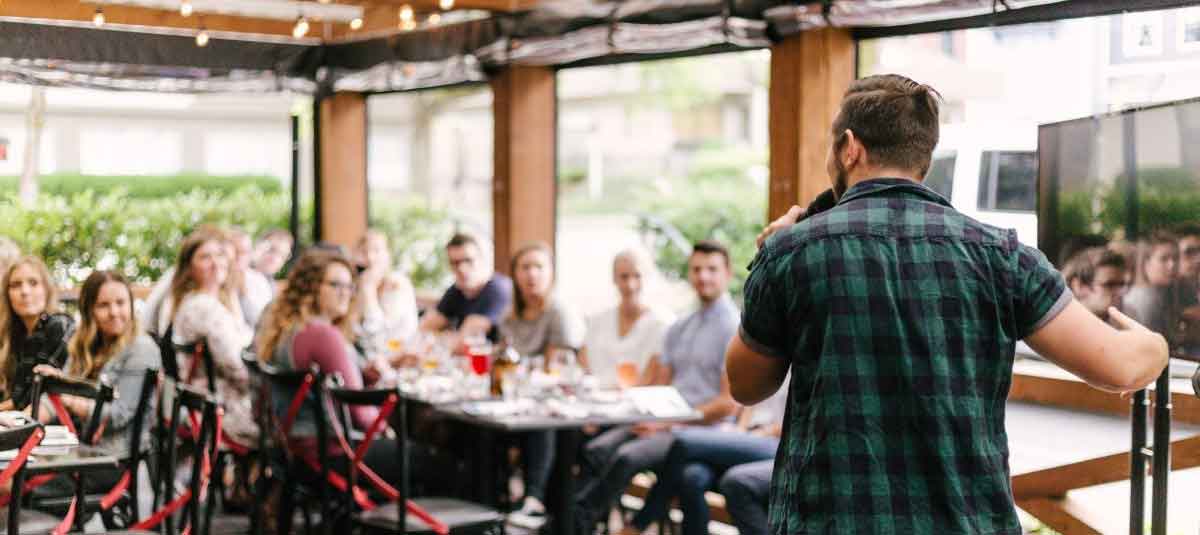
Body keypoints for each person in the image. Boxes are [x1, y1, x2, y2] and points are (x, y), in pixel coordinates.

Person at [728, 74, 1169, 534]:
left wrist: (767, 260)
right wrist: (1156, 344)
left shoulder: (792, 251)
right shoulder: (1001, 255)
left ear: (849, 147)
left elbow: (746, 384)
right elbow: (1121, 367)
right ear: (923, 156)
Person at [574, 240, 740, 533]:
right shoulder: (680, 326)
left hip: (700, 431)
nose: (703, 277)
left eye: (711, 270)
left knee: (627, 457)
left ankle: (580, 522)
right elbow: (661, 384)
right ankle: (584, 521)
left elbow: (728, 403)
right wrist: (651, 417)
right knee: (597, 448)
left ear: (728, 273)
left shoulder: (734, 328)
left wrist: (666, 422)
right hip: (664, 423)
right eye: (696, 269)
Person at [256, 250, 402, 483]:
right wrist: (390, 430)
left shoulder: (287, 328)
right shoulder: (323, 334)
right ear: (311, 287)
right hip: (331, 455)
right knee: (441, 461)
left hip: (293, 452)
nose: (346, 293)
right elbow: (359, 412)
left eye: (349, 286)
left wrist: (365, 375)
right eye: (336, 285)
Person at [32, 270, 159, 493]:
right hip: (78, 448)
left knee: (19, 486)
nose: (114, 312)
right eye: (103, 305)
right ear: (90, 310)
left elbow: (119, 415)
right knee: (13, 472)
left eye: (121, 303)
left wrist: (70, 399)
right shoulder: (84, 342)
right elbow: (55, 399)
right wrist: (22, 423)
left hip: (112, 459)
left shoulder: (141, 349)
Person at [622, 380, 788, 535]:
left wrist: (746, 434)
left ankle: (638, 524)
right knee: (691, 477)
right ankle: (639, 524)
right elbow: (746, 405)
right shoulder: (768, 360)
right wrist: (739, 429)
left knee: (683, 443)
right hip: (742, 436)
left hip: (771, 442)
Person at [500, 242, 584, 529]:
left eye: (539, 267)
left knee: (542, 420)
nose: (532, 274)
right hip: (513, 403)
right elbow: (501, 364)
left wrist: (520, 370)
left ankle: (534, 500)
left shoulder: (560, 313)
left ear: (551, 273)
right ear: (515, 274)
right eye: (525, 267)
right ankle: (491, 502)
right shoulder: (508, 317)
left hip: (552, 405)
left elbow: (554, 368)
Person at [167, 228, 257, 447]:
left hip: (205, 406)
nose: (216, 262)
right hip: (222, 412)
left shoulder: (201, 302)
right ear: (189, 268)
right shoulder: (204, 308)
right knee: (294, 425)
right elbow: (237, 367)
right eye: (205, 257)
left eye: (219, 255)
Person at [580, 248, 672, 388]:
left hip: (635, 402)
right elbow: (583, 363)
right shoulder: (598, 320)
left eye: (637, 276)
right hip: (594, 398)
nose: (630, 285)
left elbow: (651, 378)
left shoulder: (661, 323)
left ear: (647, 278)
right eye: (624, 277)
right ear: (614, 279)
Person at [0, 256, 74, 411]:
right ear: (7, 294)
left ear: (46, 289)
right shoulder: (12, 335)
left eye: (33, 283)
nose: (24, 291)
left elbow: (27, 398)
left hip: (52, 427)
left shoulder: (58, 325)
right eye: (15, 285)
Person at [419, 233, 512, 341]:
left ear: (482, 259)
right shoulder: (457, 290)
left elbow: (465, 342)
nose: (462, 268)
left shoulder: (498, 288)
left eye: (468, 260)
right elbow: (423, 330)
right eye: (455, 263)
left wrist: (443, 336)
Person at [354, 229, 419, 357]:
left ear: (387, 255)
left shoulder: (398, 284)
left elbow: (378, 335)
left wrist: (368, 290)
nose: (370, 257)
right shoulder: (358, 285)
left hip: (399, 356)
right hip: (371, 357)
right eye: (364, 251)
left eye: (376, 250)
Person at [1061, 247, 1128, 322]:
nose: (1121, 292)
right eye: (1109, 285)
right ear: (1079, 286)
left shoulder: (1127, 318)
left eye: (1121, 284)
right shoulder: (1057, 327)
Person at [229, 227, 274, 329]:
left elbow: (264, 320)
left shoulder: (258, 281)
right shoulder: (216, 281)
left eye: (245, 252)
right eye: (235, 251)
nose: (239, 257)